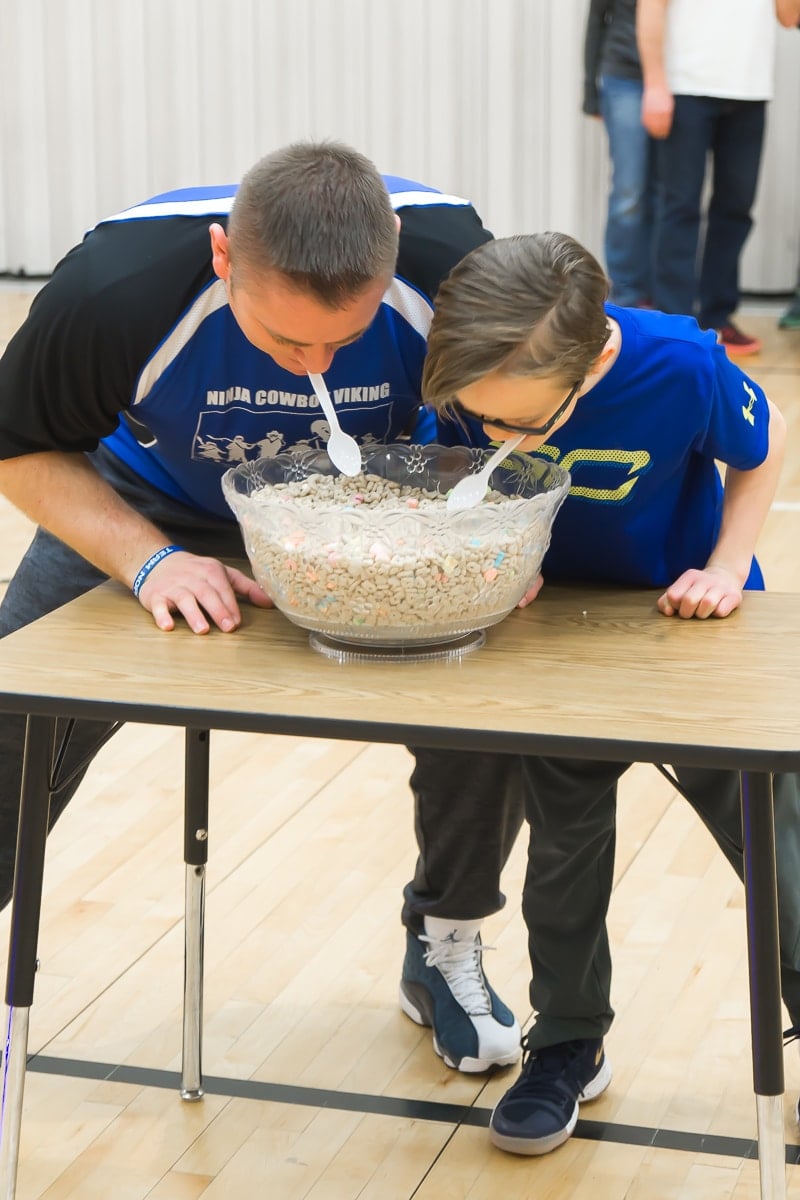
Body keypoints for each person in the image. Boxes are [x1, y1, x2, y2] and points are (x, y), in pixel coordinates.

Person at [0, 140, 526, 1076]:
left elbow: (511, 425)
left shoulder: (460, 271)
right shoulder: (112, 290)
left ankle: (445, 941)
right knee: (12, 710)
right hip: (156, 501)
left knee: (485, 710)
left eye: (342, 340)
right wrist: (148, 558)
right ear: (221, 259)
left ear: (395, 255)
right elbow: (19, 448)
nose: (314, 362)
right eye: (287, 342)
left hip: (385, 500)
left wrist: (491, 548)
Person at [421, 230, 800, 1153]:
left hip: (693, 623)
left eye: (520, 423)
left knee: (779, 842)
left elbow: (768, 439)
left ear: (591, 364)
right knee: (564, 850)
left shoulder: (682, 363)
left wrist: (728, 564)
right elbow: (462, 481)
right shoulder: (481, 378)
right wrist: (502, 562)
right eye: (486, 419)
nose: (497, 435)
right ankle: (568, 1044)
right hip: (564, 642)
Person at [637, 0, 800, 357]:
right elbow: (650, 7)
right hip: (687, 86)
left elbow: (790, 18)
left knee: (736, 207)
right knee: (680, 207)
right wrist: (654, 83)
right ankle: (675, 321)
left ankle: (718, 316)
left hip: (750, 90)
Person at [583, 0, 657, 308]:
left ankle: (658, 289)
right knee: (630, 192)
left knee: (669, 196)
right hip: (625, 79)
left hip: (680, 83)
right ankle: (624, 294)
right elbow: (596, 20)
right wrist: (590, 91)